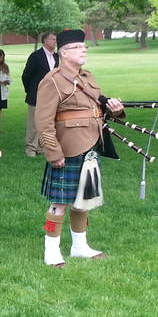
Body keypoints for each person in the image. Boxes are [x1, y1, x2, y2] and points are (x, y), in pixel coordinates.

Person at [35, 29, 124, 268]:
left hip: (91, 142)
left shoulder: (87, 77)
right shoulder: (52, 81)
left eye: (84, 46)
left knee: (83, 198)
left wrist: (114, 108)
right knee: (59, 201)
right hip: (68, 147)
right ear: (64, 52)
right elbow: (43, 122)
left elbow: (96, 106)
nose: (83, 49)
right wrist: (53, 152)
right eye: (77, 47)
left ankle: (79, 246)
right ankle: (51, 251)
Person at [22, 32, 59, 156]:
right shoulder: (36, 56)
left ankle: (43, 147)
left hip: (53, 97)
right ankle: (31, 148)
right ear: (45, 41)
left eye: (56, 39)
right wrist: (31, 90)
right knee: (34, 124)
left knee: (48, 123)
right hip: (35, 96)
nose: (55, 41)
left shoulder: (57, 57)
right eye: (53, 39)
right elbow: (26, 76)